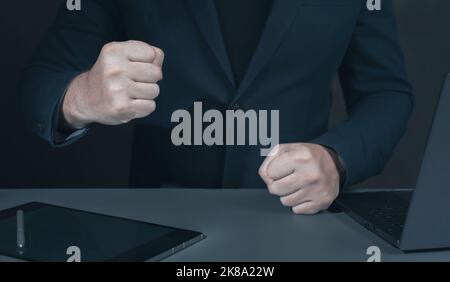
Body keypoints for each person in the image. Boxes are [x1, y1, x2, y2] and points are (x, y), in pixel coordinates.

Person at [21, 0, 413, 214]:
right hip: (158, 225)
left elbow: (386, 92)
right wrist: (84, 95)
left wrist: (337, 160)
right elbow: (41, 82)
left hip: (295, 220)